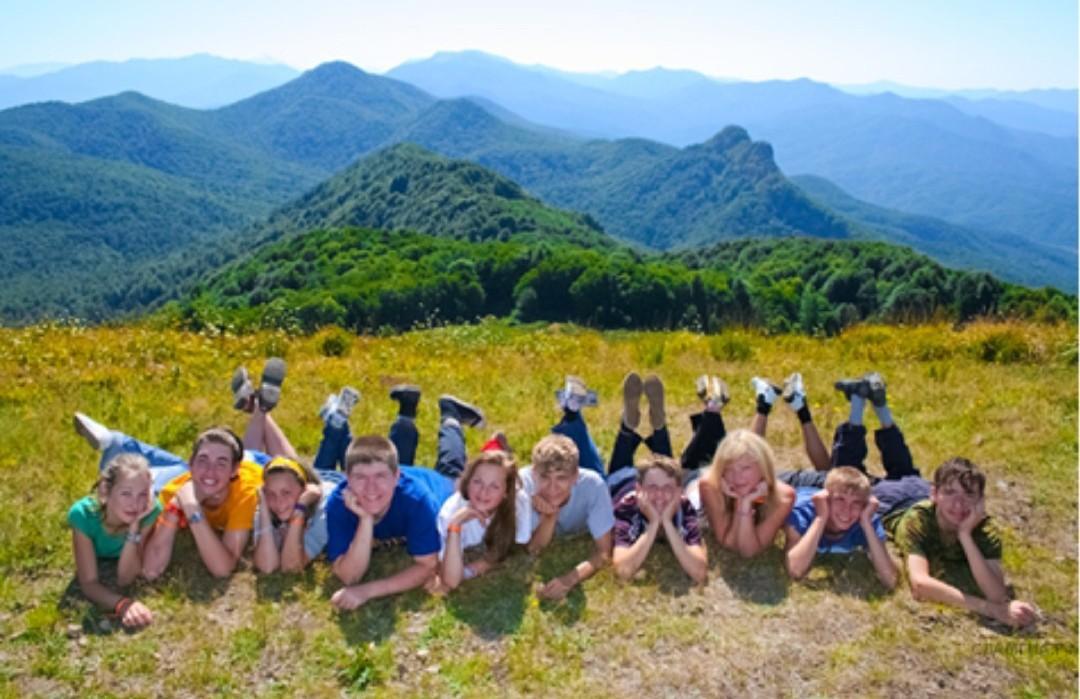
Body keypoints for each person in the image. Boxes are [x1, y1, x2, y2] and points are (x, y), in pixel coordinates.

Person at [325, 395, 482, 610]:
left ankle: (451, 416)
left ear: (396, 477)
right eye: (361, 478)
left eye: (380, 476)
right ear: (347, 479)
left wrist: (366, 591)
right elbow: (349, 576)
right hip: (403, 479)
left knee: (452, 468)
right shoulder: (339, 501)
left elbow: (427, 566)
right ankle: (407, 418)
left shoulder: (417, 500)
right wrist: (366, 520)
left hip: (438, 485)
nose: (370, 489)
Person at [892, 457, 1038, 628]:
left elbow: (997, 595)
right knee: (882, 477)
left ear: (980, 500)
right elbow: (920, 585)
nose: (958, 504)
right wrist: (991, 610)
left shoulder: (984, 529)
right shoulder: (918, 519)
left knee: (905, 471)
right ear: (934, 494)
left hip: (922, 490)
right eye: (950, 492)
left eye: (969, 494)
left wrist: (965, 535)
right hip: (895, 501)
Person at [67, 452, 160, 629]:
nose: (135, 504)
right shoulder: (83, 516)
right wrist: (122, 605)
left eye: (142, 494)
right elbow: (88, 582)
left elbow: (126, 578)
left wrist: (134, 528)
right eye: (126, 493)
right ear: (105, 491)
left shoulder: (149, 513)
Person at [521, 433, 614, 601]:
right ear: (534, 473)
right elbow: (532, 549)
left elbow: (604, 551)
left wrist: (570, 579)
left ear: (575, 477)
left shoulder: (593, 486)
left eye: (561, 478)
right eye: (545, 477)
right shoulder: (523, 488)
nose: (552, 488)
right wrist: (549, 517)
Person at [436, 448, 531, 590]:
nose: (483, 492)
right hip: (438, 492)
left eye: (494, 486)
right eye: (477, 482)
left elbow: (518, 548)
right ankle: (451, 427)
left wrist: (474, 568)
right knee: (449, 465)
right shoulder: (449, 514)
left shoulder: (519, 501)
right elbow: (451, 581)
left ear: (507, 492)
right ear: (467, 482)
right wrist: (455, 525)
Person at [611, 454, 706, 583]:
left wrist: (667, 522)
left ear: (679, 493)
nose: (660, 495)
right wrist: (654, 523)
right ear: (639, 490)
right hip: (619, 481)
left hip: (638, 478)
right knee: (618, 466)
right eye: (652, 488)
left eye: (667, 488)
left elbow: (699, 573)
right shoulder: (627, 507)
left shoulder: (684, 507)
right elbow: (623, 571)